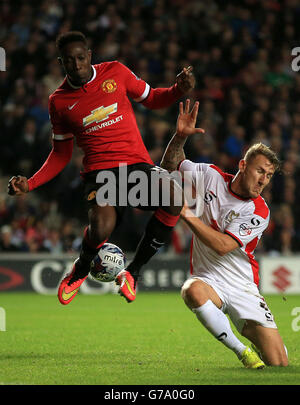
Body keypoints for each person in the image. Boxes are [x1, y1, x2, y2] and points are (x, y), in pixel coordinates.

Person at [7, 31, 195, 305]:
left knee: (174, 199)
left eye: (81, 58)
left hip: (136, 166)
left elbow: (153, 98)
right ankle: (80, 269)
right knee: (101, 228)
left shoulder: (116, 72)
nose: (77, 65)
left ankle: (133, 273)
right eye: (69, 61)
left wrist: (179, 90)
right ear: (62, 63)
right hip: (101, 174)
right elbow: (61, 153)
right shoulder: (58, 101)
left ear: (89, 56)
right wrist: (32, 183)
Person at [160, 99, 288, 368]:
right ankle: (243, 351)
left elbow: (222, 246)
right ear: (243, 165)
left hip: (243, 286)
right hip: (209, 279)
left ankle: (262, 342)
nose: (264, 179)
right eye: (259, 171)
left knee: (279, 364)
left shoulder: (259, 211)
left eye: (269, 175)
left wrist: (185, 213)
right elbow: (170, 166)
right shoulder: (210, 175)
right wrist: (180, 137)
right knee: (191, 290)